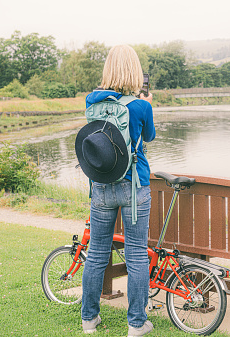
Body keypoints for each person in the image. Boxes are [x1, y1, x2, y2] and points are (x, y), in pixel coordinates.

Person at [79, 45, 155, 336]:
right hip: (134, 186)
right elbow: (148, 136)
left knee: (97, 253)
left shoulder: (91, 101)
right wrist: (147, 103)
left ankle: (89, 320)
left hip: (100, 184)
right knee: (135, 254)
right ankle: (136, 324)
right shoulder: (140, 106)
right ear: (135, 71)